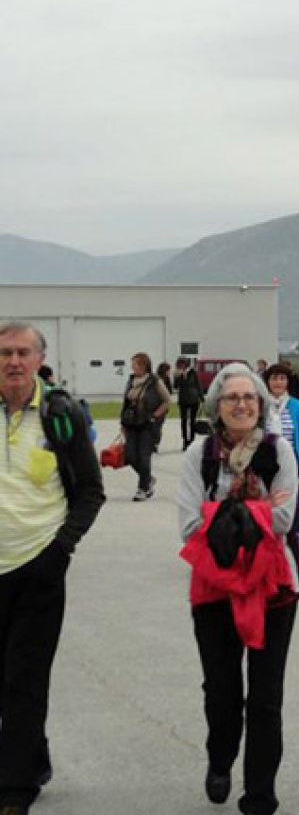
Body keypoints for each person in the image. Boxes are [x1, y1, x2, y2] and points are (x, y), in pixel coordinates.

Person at [176, 364, 299, 815]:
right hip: (214, 591)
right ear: (216, 406)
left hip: (273, 590)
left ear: (261, 404)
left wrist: (225, 515)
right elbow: (190, 526)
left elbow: (286, 520)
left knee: (266, 699)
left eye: (250, 397)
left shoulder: (278, 450)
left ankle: (260, 795)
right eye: (232, 398)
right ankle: (220, 758)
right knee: (222, 691)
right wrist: (259, 511)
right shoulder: (199, 455)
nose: (243, 404)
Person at [0, 321, 105, 815]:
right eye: (5, 354)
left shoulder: (61, 415)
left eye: (23, 353)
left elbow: (90, 491)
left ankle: (16, 788)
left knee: (25, 679)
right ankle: (31, 760)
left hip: (38, 568)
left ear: (40, 360)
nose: (13, 362)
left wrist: (59, 551)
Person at [120, 352, 171, 501]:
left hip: (147, 425)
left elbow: (167, 400)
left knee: (143, 457)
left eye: (135, 364)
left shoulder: (154, 381)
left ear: (143, 365)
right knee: (129, 455)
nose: (132, 367)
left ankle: (143, 488)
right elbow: (126, 403)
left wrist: (155, 416)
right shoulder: (131, 381)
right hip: (131, 424)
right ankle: (148, 478)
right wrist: (122, 423)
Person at [262, 363, 299, 486]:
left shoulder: (298, 407)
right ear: (267, 382)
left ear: (288, 382)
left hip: (291, 464)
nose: (278, 382)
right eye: (274, 378)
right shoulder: (261, 406)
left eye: (282, 378)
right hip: (264, 463)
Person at [175, 357, 204, 450]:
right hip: (183, 400)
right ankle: (185, 441)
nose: (181, 366)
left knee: (192, 421)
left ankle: (191, 440)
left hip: (194, 399)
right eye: (179, 364)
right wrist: (181, 377)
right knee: (183, 421)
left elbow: (198, 384)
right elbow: (175, 386)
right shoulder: (178, 374)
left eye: (183, 364)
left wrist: (201, 397)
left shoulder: (193, 372)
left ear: (186, 364)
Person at [154, 361, 174, 452]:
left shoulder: (167, 380)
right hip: (155, 405)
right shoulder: (156, 379)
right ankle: (153, 443)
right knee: (154, 426)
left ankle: (155, 443)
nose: (169, 372)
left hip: (164, 406)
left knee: (158, 426)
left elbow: (170, 392)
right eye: (168, 370)